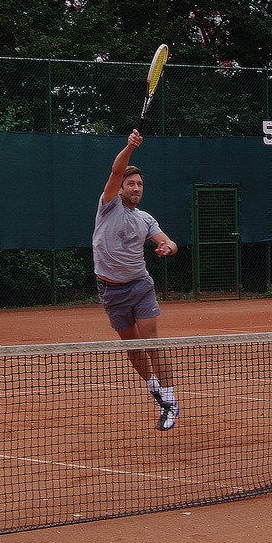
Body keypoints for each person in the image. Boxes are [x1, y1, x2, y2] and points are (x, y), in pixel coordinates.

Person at [92, 129, 180, 431]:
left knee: (151, 342)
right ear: (119, 189)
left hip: (140, 286)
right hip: (110, 291)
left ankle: (170, 400)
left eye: (140, 184)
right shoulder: (108, 206)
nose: (136, 187)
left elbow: (170, 242)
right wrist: (130, 147)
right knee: (133, 348)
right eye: (131, 183)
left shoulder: (145, 219)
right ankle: (154, 385)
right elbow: (116, 170)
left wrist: (168, 247)